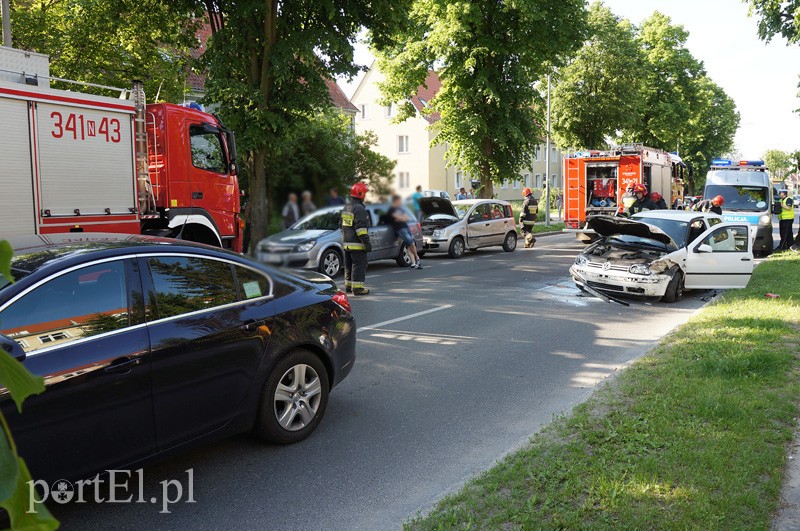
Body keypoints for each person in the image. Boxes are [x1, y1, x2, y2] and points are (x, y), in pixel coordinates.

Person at [340, 182, 372, 295]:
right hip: (357, 244)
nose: (365, 196)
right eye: (364, 193)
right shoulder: (359, 209)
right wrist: (367, 243)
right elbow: (361, 229)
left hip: (346, 243)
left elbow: (341, 225)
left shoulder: (347, 207)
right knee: (359, 265)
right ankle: (358, 288)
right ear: (360, 194)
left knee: (348, 265)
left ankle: (348, 286)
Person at [388, 194, 422, 268]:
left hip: (405, 227)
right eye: (399, 201)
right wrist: (401, 217)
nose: (400, 202)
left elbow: (406, 218)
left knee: (409, 244)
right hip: (400, 229)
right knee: (411, 242)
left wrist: (401, 217)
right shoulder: (391, 210)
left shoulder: (399, 209)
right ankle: (417, 258)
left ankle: (413, 263)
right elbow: (397, 218)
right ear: (395, 201)